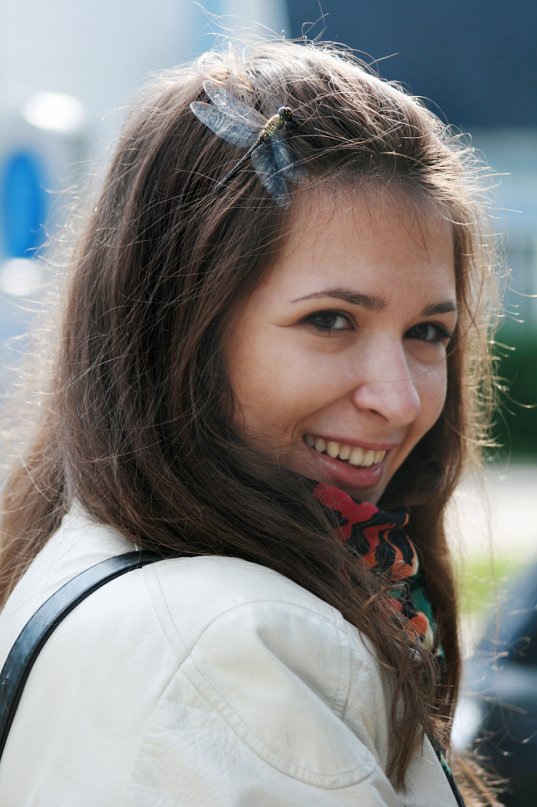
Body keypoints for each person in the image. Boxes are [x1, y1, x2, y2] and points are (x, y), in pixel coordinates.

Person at [0, 40, 501, 805]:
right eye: (330, 320)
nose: (399, 400)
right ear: (174, 329)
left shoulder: (85, 561)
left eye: (427, 332)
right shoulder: (236, 640)